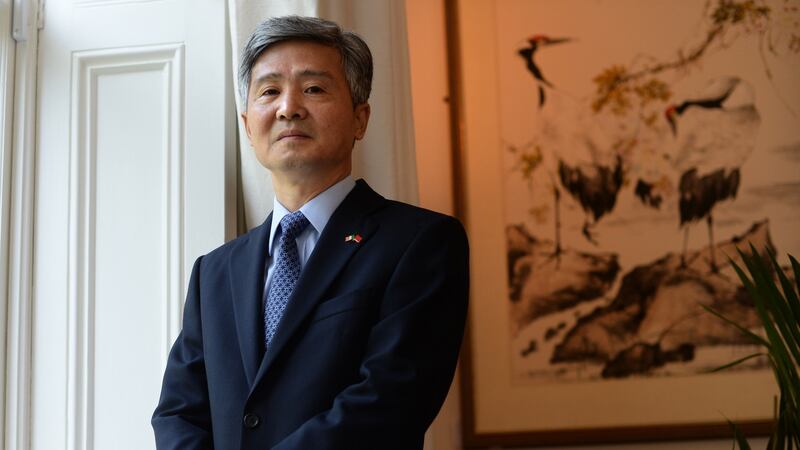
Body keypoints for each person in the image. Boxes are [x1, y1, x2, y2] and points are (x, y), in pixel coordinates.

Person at [152, 15, 469, 450]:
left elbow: (388, 403)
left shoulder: (420, 243)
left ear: (360, 119)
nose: (288, 108)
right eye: (269, 92)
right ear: (248, 127)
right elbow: (178, 413)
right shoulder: (214, 272)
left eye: (314, 88)